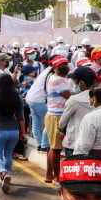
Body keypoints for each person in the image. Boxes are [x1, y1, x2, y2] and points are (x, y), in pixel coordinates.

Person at [0, 73, 26, 194]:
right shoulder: (16, 97)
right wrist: (22, 133)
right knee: (8, 154)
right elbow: (21, 118)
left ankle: (2, 172)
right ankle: (7, 174)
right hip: (14, 131)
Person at [43, 56, 72, 184]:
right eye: (61, 65)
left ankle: (49, 175)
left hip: (58, 114)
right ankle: (56, 176)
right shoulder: (56, 80)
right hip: (56, 116)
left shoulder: (62, 79)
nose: (65, 67)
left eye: (66, 64)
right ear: (54, 67)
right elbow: (69, 96)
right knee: (56, 148)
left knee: (54, 148)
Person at [58, 66, 97, 159]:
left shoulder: (74, 100)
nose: (74, 84)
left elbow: (62, 123)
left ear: (81, 83)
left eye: (75, 81)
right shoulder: (100, 97)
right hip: (94, 143)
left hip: (74, 142)